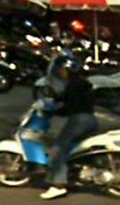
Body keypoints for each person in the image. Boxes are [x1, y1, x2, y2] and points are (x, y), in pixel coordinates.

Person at [41, 54, 98, 200]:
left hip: (79, 120)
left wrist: (52, 110)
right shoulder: (82, 83)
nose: (59, 72)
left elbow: (68, 107)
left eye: (61, 69)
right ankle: (73, 175)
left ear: (67, 70)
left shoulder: (72, 86)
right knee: (74, 148)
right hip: (90, 119)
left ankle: (58, 185)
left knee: (58, 148)